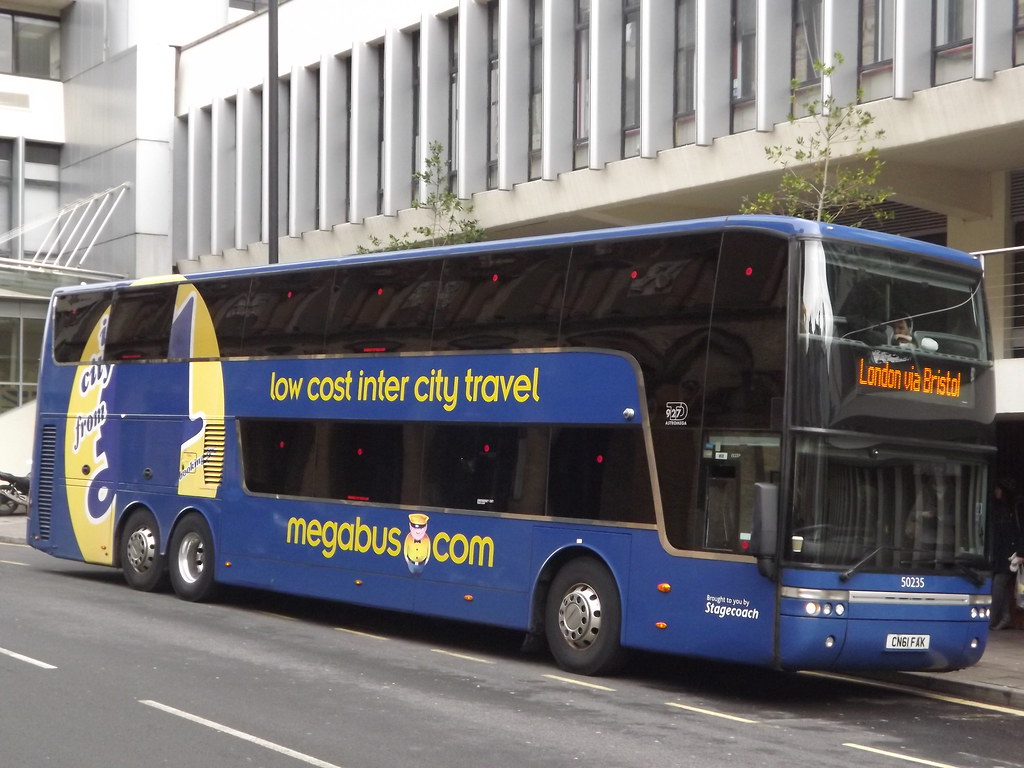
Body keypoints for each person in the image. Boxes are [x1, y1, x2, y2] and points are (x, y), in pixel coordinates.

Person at [990, 480, 1021, 630]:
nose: (995, 491)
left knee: (998, 584)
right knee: (1001, 586)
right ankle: (1005, 616)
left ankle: (992, 618)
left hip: (1010, 554)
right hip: (1001, 553)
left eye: (998, 489)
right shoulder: (999, 509)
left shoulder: (1012, 511)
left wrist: (1020, 553)